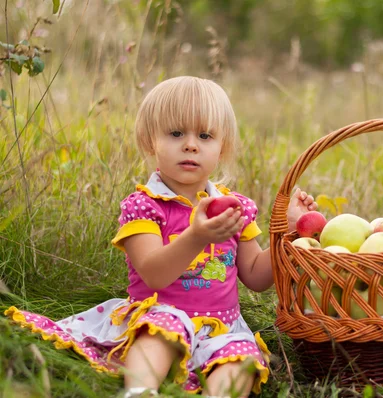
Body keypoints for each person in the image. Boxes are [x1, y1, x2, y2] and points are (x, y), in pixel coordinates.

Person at [5, 76, 317, 397]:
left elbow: (256, 276)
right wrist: (196, 237)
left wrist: (288, 232)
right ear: (149, 140)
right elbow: (153, 274)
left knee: (242, 360)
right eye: (176, 133)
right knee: (158, 334)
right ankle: (141, 390)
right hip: (160, 313)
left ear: (222, 148)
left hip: (221, 327)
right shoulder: (145, 206)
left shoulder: (233, 208)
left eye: (205, 135)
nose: (191, 144)